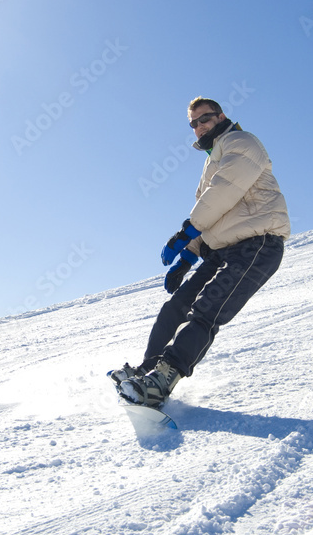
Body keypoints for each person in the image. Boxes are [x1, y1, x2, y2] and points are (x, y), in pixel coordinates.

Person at [111, 97, 290, 408]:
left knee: (206, 312)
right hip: (223, 249)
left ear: (220, 116)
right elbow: (212, 211)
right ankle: (148, 369)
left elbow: (223, 193)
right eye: (193, 123)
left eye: (204, 119)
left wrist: (185, 232)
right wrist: (188, 256)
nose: (199, 127)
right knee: (176, 306)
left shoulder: (242, 143)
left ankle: (161, 383)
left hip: (259, 243)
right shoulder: (213, 159)